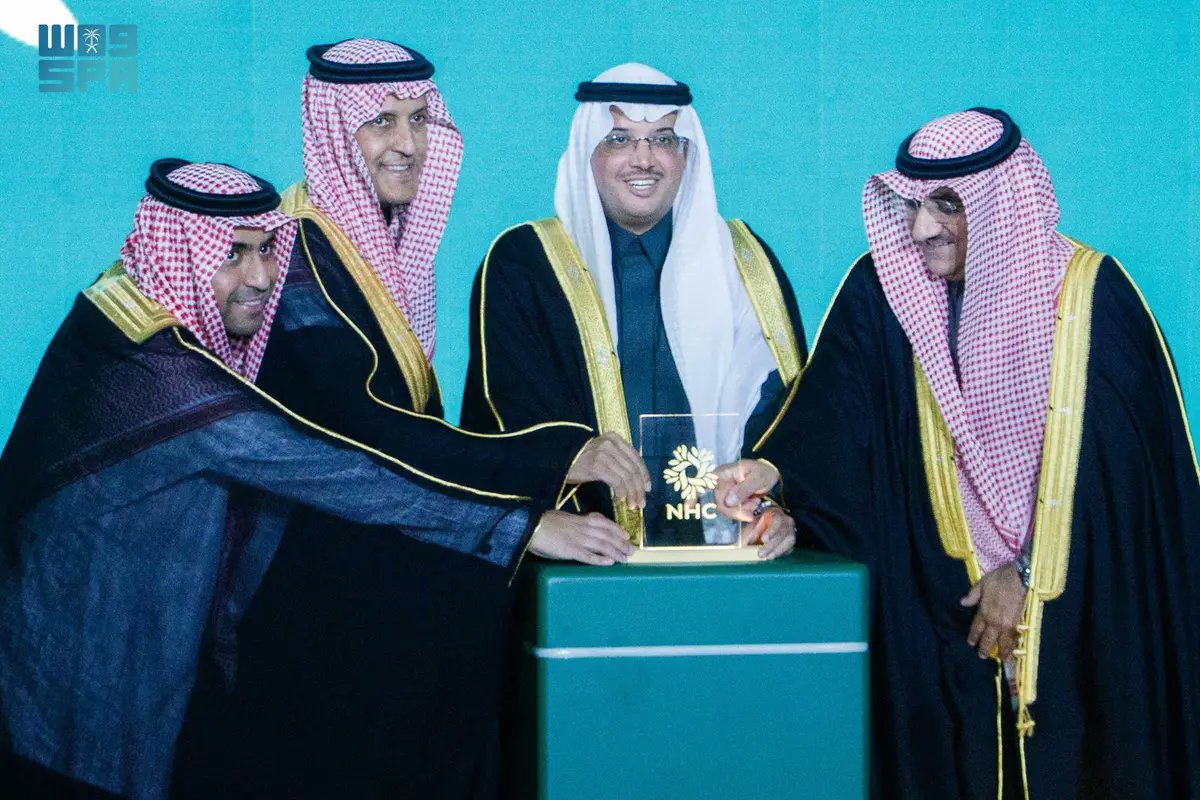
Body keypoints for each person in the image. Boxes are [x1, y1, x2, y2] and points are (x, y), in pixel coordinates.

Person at [0, 160, 548, 800]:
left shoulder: (128, 293)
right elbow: (325, 469)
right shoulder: (154, 364)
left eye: (266, 250)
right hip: (77, 643)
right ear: (178, 248)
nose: (261, 277)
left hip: (130, 624)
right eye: (233, 253)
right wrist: (519, 527)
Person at [209, 40, 649, 799]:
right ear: (334, 130)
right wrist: (540, 481)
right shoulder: (296, 261)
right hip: (300, 589)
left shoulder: (361, 248)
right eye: (381, 121)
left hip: (363, 567)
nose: (408, 143)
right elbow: (366, 430)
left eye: (418, 119)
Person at [718, 108, 1200, 799]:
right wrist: (770, 471)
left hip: (1077, 624)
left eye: (947, 205)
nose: (921, 229)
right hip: (935, 613)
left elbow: (1126, 492)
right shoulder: (884, 288)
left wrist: (1027, 572)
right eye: (913, 205)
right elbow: (834, 419)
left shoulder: (1094, 298)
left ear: (1000, 204)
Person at [461, 63, 804, 562]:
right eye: (619, 139)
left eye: (663, 139)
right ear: (587, 151)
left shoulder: (744, 262)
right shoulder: (526, 264)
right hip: (581, 557)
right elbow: (501, 415)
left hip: (727, 555)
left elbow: (785, 409)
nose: (644, 160)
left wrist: (771, 504)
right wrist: (567, 461)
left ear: (686, 154)